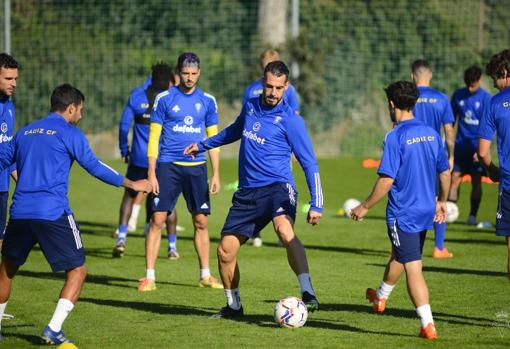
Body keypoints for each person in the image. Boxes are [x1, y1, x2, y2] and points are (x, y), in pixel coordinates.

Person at [0, 84, 151, 344]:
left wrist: (23, 176)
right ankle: (54, 329)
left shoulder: (24, 132)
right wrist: (132, 184)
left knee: (6, 271)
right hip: (53, 213)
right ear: (71, 108)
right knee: (78, 271)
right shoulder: (70, 133)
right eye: (80, 111)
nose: (80, 116)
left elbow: (3, 159)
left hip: (20, 211)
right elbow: (95, 166)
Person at [184, 60, 323, 318]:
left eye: (278, 88)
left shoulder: (291, 120)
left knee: (284, 229)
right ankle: (234, 306)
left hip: (278, 187)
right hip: (248, 193)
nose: (273, 93)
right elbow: (233, 132)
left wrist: (317, 203)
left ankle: (307, 292)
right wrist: (203, 145)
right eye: (269, 86)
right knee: (225, 251)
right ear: (262, 83)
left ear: (286, 87)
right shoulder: (251, 107)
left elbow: (309, 162)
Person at [351, 80, 450, 340]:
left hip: (403, 213)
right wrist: (442, 200)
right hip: (425, 210)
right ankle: (380, 298)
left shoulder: (395, 136)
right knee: (402, 254)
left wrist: (364, 206)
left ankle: (427, 324)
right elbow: (444, 171)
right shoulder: (431, 133)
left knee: (413, 266)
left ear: (392, 104)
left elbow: (386, 180)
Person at [140, 52, 223, 291]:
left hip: (197, 169)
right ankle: (149, 276)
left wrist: (216, 173)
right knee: (157, 219)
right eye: (185, 73)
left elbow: (213, 138)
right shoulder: (164, 98)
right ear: (179, 73)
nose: (189, 78)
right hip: (168, 166)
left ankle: (205, 275)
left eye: (194, 73)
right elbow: (154, 137)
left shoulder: (208, 100)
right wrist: (152, 172)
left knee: (201, 222)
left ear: (199, 73)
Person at [113, 63, 181, 259]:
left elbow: (124, 126)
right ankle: (172, 247)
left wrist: (124, 149)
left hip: (138, 158)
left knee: (129, 195)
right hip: (162, 160)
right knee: (167, 202)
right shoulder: (172, 99)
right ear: (169, 80)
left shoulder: (137, 96)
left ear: (151, 78)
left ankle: (122, 238)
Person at [242, 49, 300, 247]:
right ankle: (254, 232)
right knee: (253, 188)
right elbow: (245, 119)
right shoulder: (251, 90)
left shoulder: (288, 91)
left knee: (282, 187)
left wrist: (293, 148)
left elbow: (294, 116)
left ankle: (283, 232)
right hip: (256, 150)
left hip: (279, 150)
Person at [411, 59, 455, 258]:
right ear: (430, 75)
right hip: (434, 153)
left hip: (411, 154)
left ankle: (402, 243)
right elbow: (449, 130)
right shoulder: (441, 98)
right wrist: (451, 155)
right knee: (439, 199)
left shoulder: (408, 97)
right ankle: (438, 247)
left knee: (409, 198)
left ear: (413, 76)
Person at [478, 49, 510, 280]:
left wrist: (492, 171)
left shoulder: (495, 103)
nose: (495, 84)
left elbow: (482, 152)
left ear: (504, 72)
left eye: (495, 78)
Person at [449, 65, 492, 225]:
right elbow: (450, 122)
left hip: (477, 147)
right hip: (460, 146)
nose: (470, 87)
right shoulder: (458, 95)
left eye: (472, 84)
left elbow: (489, 127)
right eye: (467, 84)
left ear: (479, 80)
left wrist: (483, 149)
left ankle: (472, 216)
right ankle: (450, 211)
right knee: (454, 178)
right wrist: (449, 145)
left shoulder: (486, 99)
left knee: (476, 181)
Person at [0, 54, 18, 252]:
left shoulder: (9, 105)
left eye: (15, 79)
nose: (13, 83)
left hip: (2, 187)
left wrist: (22, 181)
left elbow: (7, 150)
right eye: (8, 78)